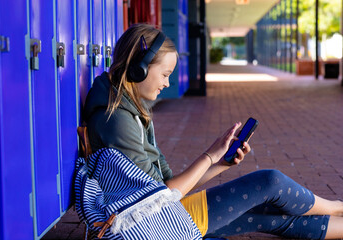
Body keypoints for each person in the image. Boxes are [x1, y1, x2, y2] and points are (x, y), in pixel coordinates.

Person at [83, 24, 343, 239]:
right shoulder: (116, 118)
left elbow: (171, 185)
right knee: (269, 182)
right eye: (165, 74)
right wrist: (209, 156)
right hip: (154, 224)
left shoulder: (127, 108)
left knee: (266, 214)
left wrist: (222, 163)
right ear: (139, 67)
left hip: (161, 214)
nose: (167, 83)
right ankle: (336, 208)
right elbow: (161, 196)